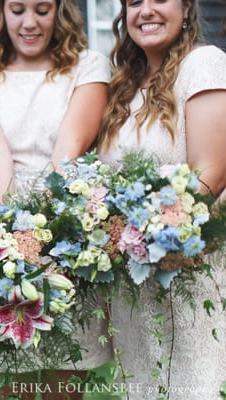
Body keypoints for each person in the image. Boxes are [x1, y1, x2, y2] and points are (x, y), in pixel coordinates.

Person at [0, 0, 112, 398]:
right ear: (0, 12)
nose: (29, 23)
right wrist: (16, 240)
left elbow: (70, 149)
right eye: (18, 9)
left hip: (66, 229)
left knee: (65, 379)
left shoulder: (88, 65)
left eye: (42, 10)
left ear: (59, 11)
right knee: (14, 380)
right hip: (2, 232)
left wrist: (46, 233)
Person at [97, 0, 226, 398]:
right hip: (130, 283)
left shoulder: (203, 65)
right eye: (134, 2)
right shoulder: (123, 87)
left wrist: (154, 233)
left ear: (187, 9)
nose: (146, 11)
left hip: (187, 271)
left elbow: (212, 172)